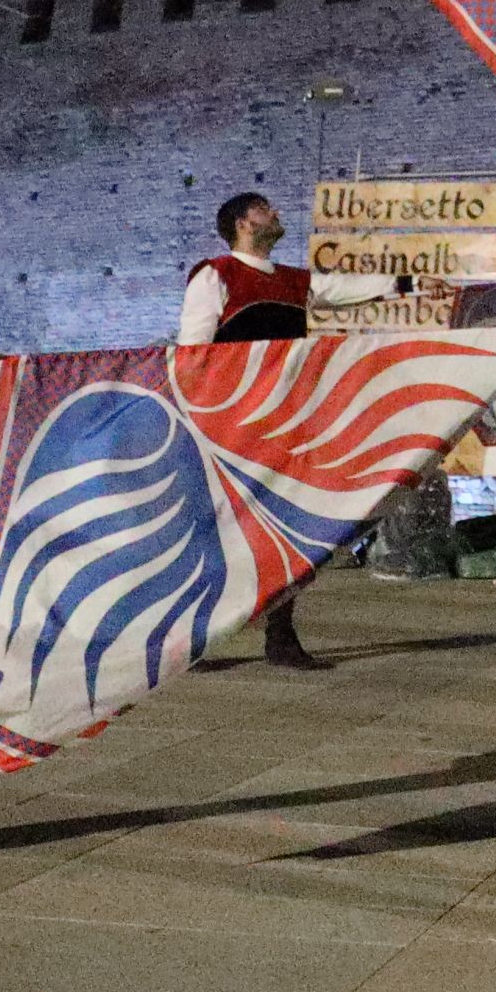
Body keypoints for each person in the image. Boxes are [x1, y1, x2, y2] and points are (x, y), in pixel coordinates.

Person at [178, 191, 327, 671]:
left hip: (284, 419)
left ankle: (281, 636)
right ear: (243, 223)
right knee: (218, 527)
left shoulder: (291, 281)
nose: (276, 213)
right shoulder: (216, 275)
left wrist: (411, 282)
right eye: (265, 208)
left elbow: (345, 287)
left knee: (286, 524)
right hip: (231, 420)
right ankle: (192, 639)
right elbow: (193, 353)